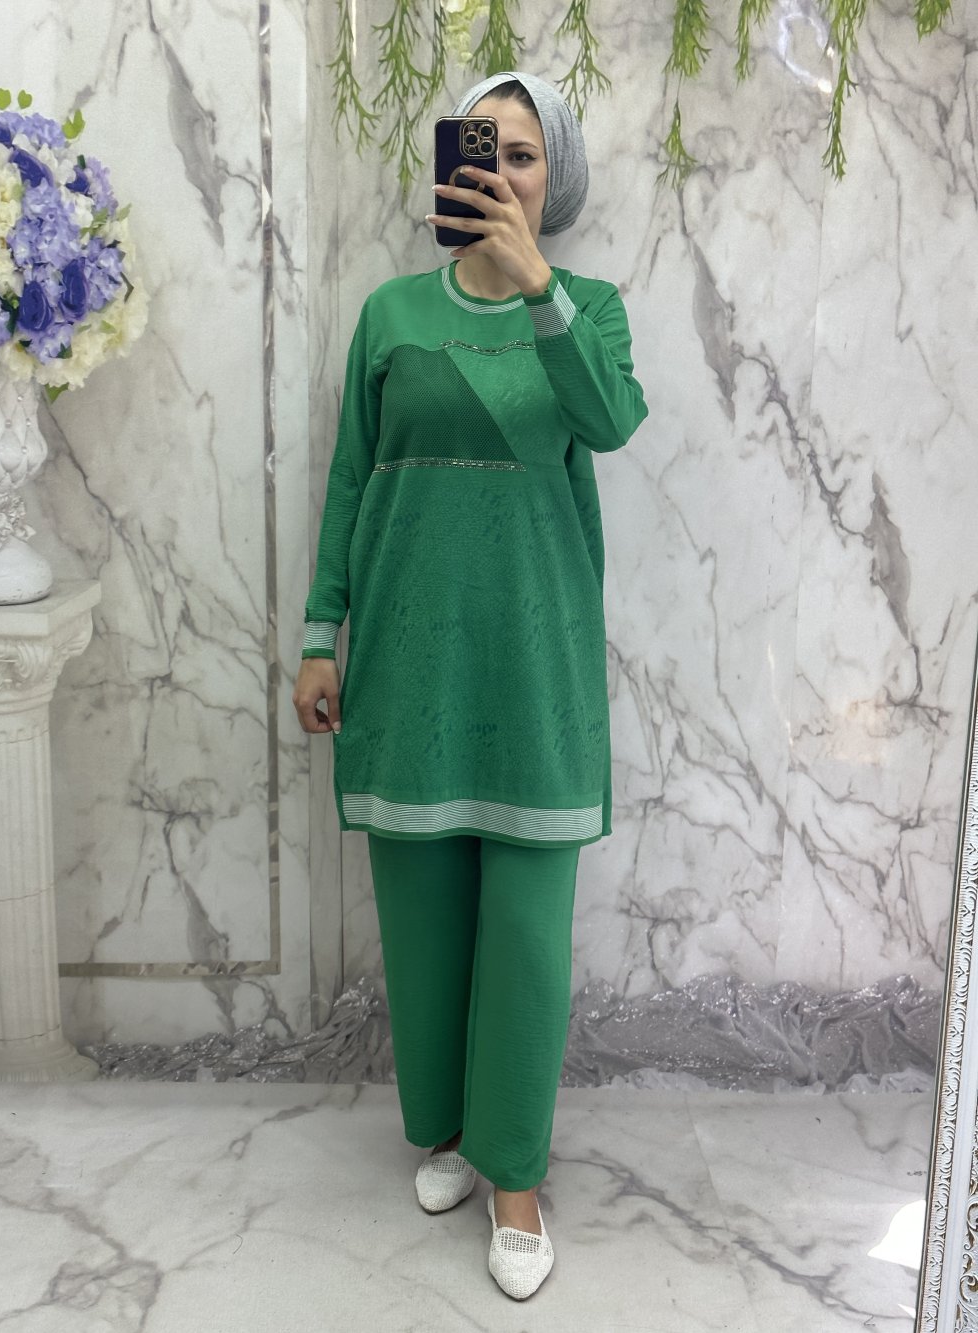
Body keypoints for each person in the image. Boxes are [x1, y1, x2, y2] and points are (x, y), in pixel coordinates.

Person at [293, 69, 648, 1300]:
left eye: (525, 153)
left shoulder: (589, 310)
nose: (501, 171)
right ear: (450, 163)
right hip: (406, 659)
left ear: (558, 178)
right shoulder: (390, 313)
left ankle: (516, 1176)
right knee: (425, 921)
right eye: (481, 148)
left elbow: (611, 420)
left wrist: (541, 288)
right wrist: (321, 633)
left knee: (527, 937)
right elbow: (351, 478)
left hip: (534, 663)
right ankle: (447, 1131)